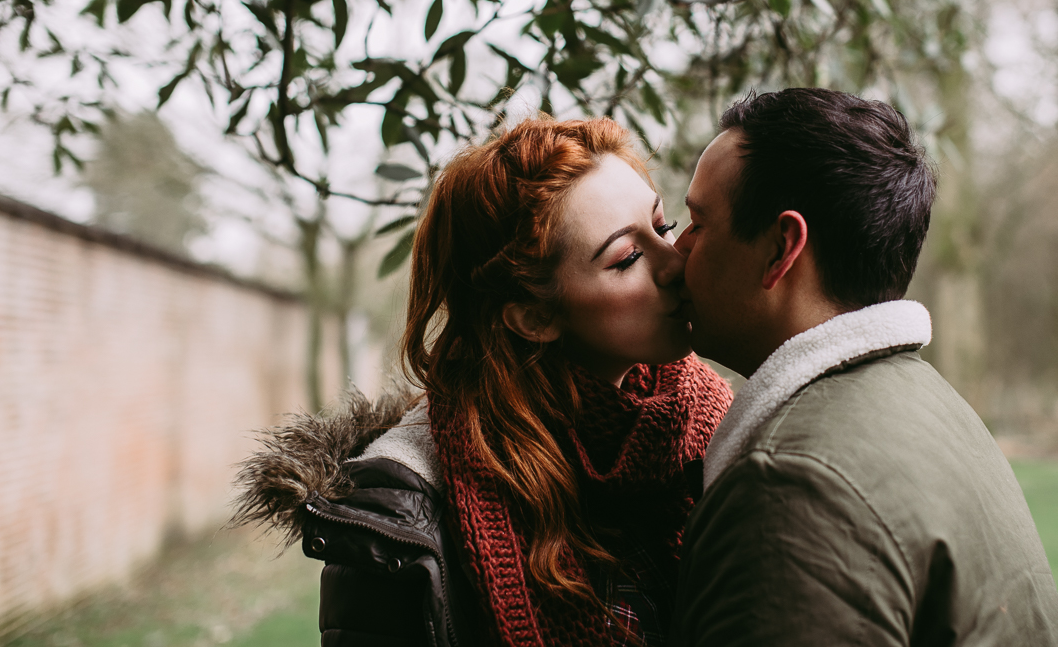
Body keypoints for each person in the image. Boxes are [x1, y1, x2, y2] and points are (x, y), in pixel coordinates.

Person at [233, 117, 733, 647]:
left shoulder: (712, 423)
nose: (674, 262)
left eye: (662, 225)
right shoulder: (402, 513)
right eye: (627, 257)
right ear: (533, 317)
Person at [668, 88, 1058, 646]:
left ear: (781, 249)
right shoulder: (933, 407)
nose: (678, 249)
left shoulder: (793, 485)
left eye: (699, 223)